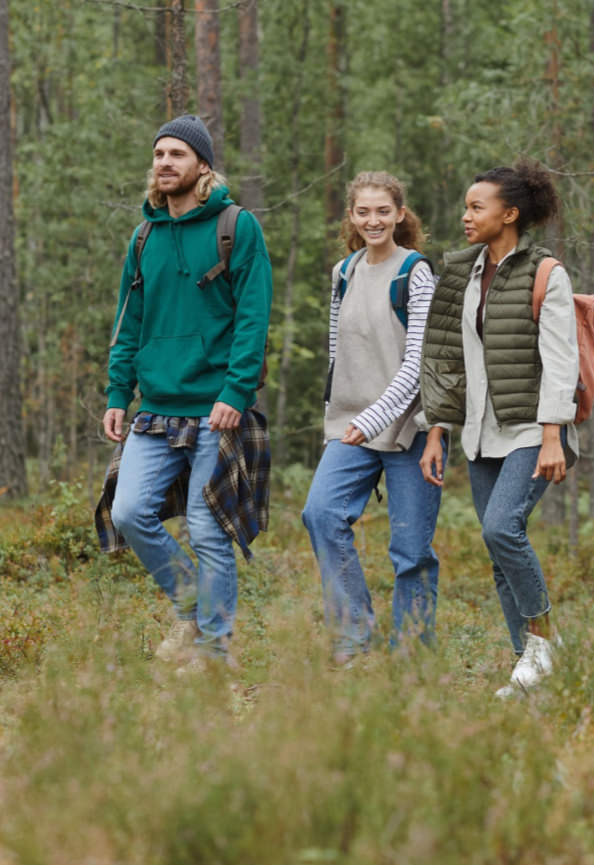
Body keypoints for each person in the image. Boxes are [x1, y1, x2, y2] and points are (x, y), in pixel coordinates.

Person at [100, 114, 272, 669]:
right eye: (159, 154)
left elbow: (253, 316)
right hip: (156, 409)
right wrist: (115, 393)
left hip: (216, 409)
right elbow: (131, 321)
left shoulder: (235, 226)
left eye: (178, 154)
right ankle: (193, 611)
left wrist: (236, 390)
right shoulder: (144, 235)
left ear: (202, 164)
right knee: (127, 512)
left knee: (206, 527)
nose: (165, 163)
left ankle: (215, 650)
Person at [419, 161, 578, 697]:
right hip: (481, 430)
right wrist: (438, 428)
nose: (465, 216)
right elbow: (445, 357)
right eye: (466, 206)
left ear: (509, 214)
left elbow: (562, 361)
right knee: (497, 552)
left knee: (500, 528)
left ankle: (546, 638)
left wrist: (554, 433)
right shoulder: (462, 271)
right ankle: (527, 669)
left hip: (533, 427)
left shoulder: (546, 273)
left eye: (476, 207)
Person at [301, 172, 441, 665]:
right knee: (320, 513)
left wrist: (374, 418)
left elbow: (417, 362)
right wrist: (334, 422)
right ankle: (352, 639)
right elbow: (339, 355)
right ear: (352, 217)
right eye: (363, 212)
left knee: (410, 551)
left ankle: (411, 657)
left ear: (400, 214)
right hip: (351, 426)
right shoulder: (344, 272)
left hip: (409, 429)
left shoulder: (416, 273)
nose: (373, 220)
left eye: (383, 211)